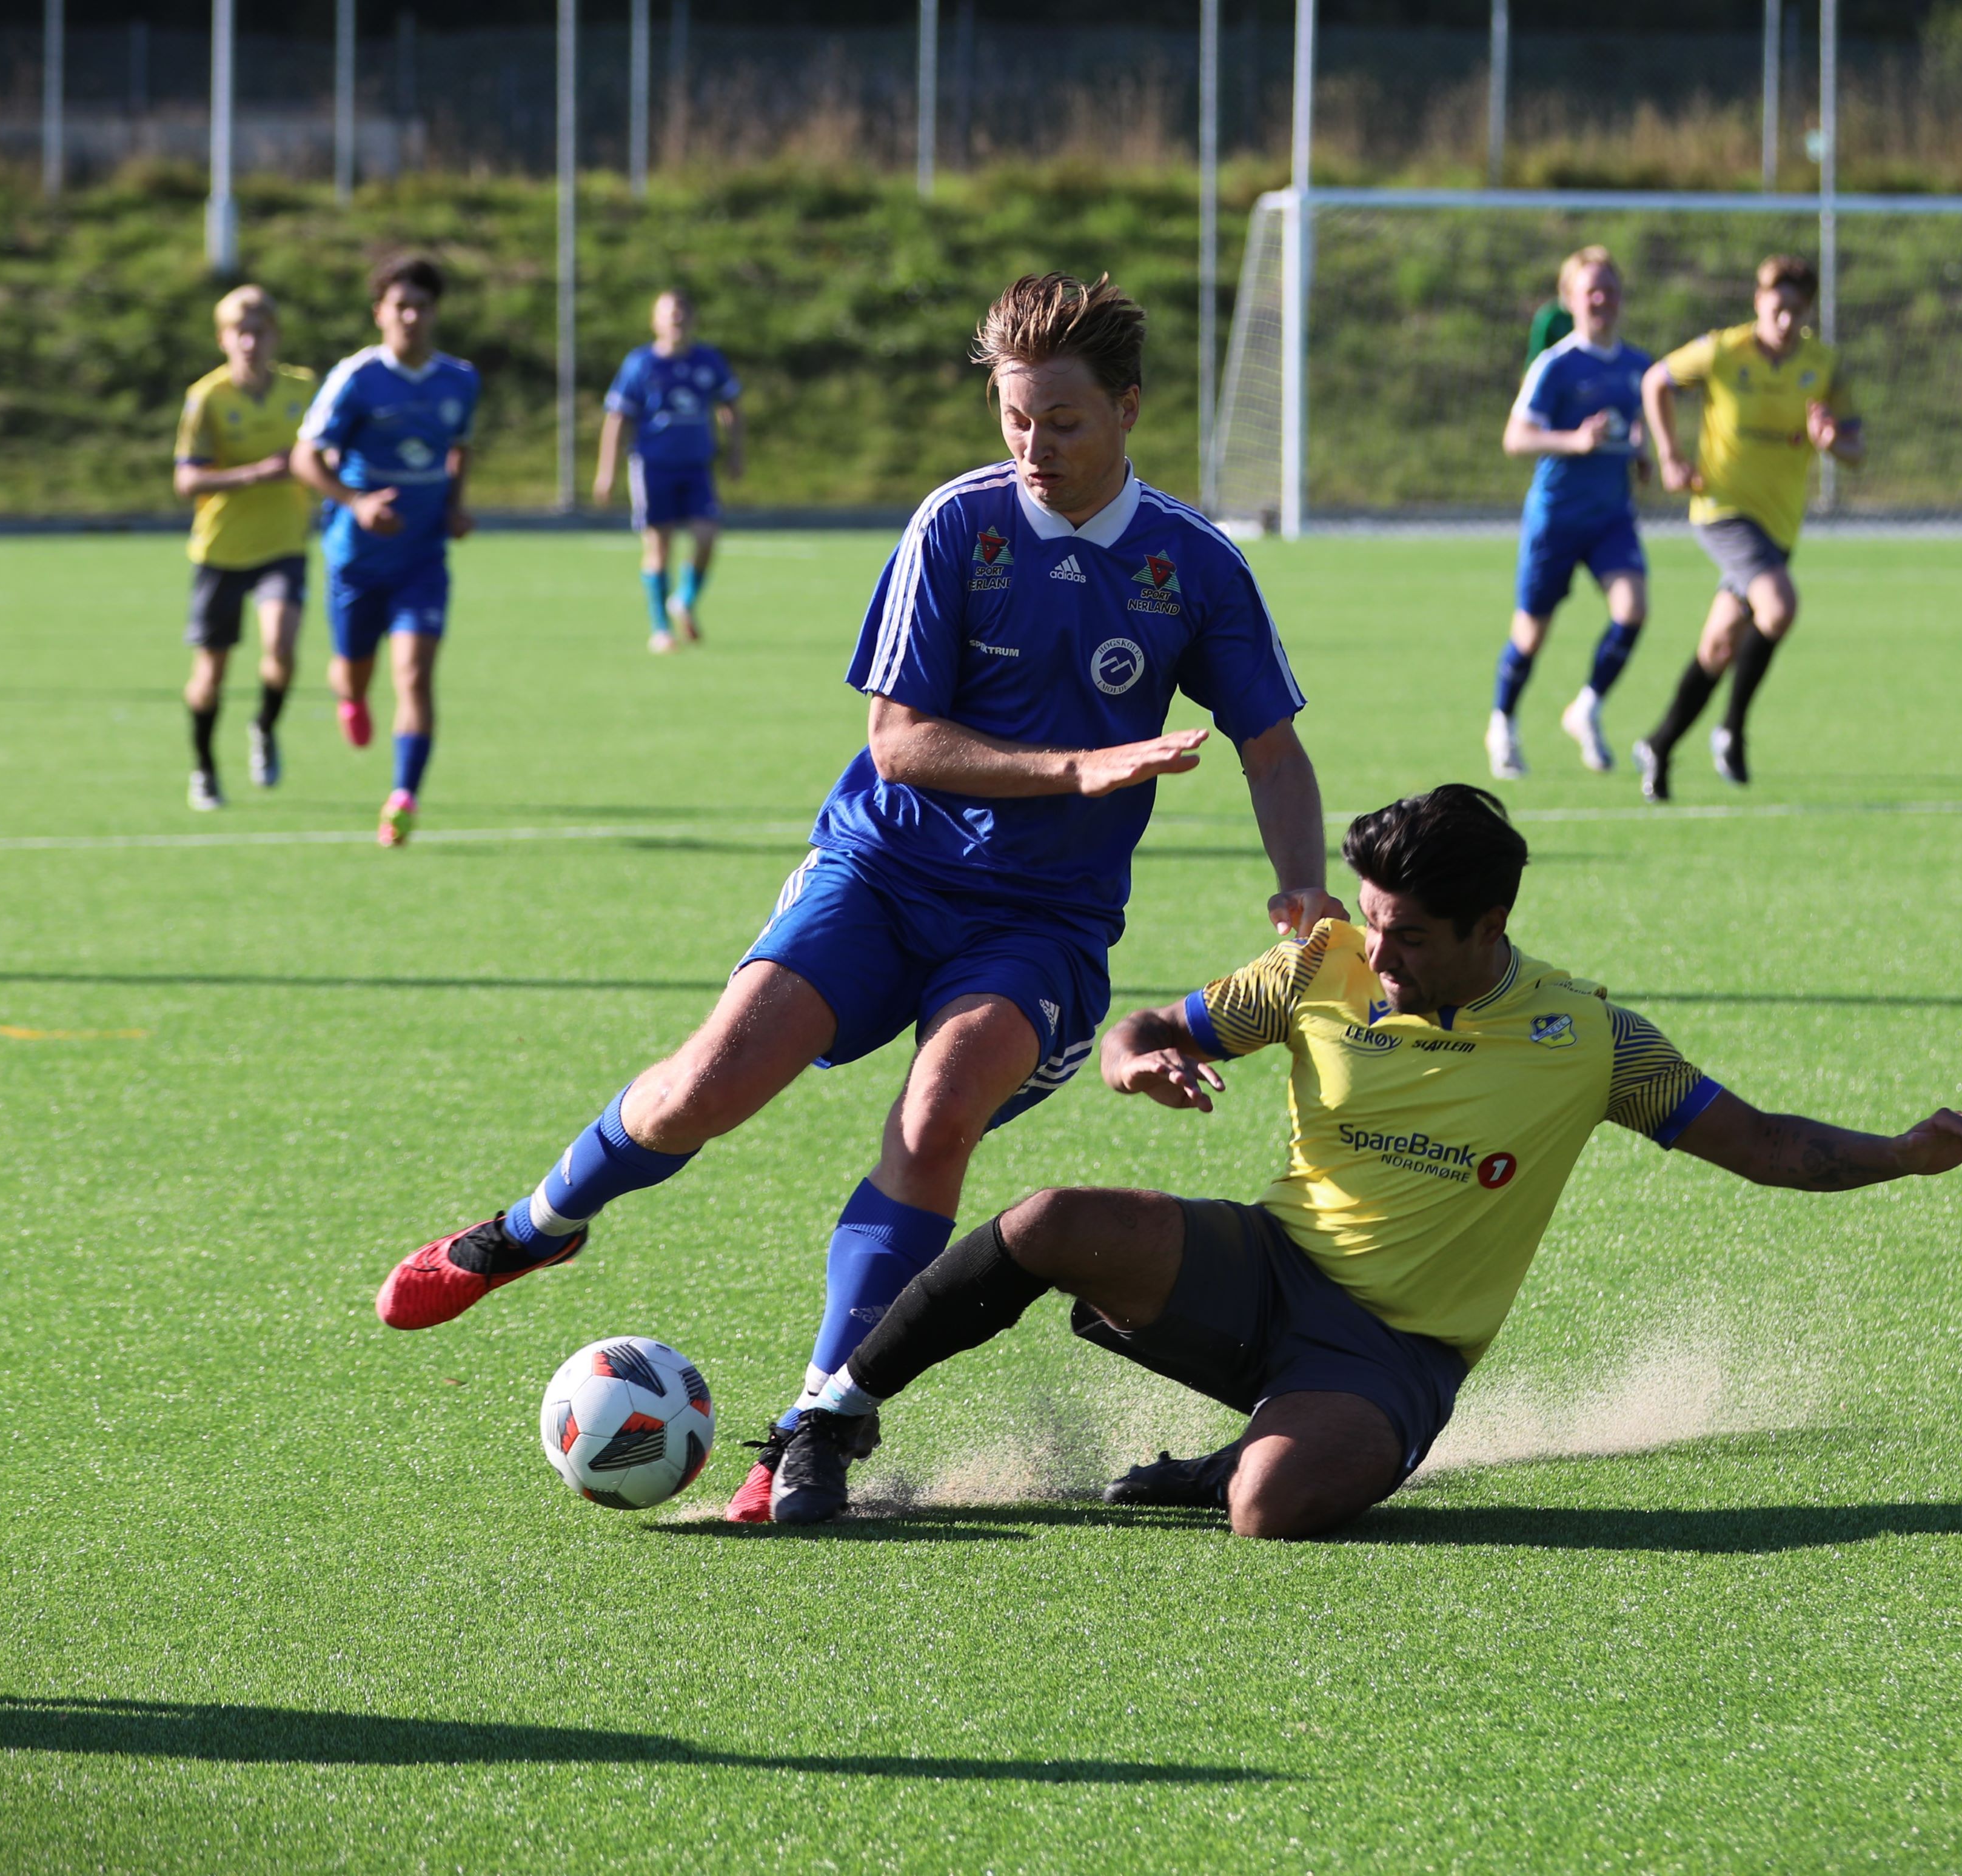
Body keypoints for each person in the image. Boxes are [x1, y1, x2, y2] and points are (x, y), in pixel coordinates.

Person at [370, 273, 1342, 1526]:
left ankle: (820, 1419)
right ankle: (534, 1226)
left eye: (1062, 420)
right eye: (1014, 417)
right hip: (882, 868)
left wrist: (1300, 881)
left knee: (937, 1115)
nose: (1034, 445)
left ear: (1129, 409)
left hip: (1039, 922)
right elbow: (900, 742)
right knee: (702, 1086)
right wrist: (1075, 767)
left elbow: (1271, 747)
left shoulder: (1192, 563)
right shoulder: (958, 525)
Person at [761, 784, 1962, 1532]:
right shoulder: (1322, 962)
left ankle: (1235, 1459)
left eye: (1408, 934)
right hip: (1265, 1266)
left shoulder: (1589, 1037)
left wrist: (1903, 1154)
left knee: (1268, 1509)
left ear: (1491, 924)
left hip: (1394, 1350)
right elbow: (1154, 1023)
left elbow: (1765, 1146)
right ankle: (830, 1415)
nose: (1378, 951)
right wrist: (1133, 1059)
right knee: (1048, 1217)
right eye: (1371, 920)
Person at [1632, 254, 1863, 803]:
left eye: (1797, 311)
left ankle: (1659, 744)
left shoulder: (1823, 366)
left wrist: (1833, 442)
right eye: (1776, 307)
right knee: (1779, 607)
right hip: (1722, 510)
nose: (1785, 320)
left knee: (1718, 646)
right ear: (1758, 301)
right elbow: (1656, 381)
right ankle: (1732, 729)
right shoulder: (1722, 351)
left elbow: (1857, 447)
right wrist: (1670, 455)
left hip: (1779, 524)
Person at [293, 255, 480, 848]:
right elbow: (304, 457)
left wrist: (454, 506)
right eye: (401, 306)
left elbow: (459, 446)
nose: (411, 317)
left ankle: (403, 796)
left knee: (415, 676)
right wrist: (356, 502)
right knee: (354, 674)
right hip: (357, 560)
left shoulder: (460, 380)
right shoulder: (356, 378)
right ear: (379, 312)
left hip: (422, 560)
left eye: (421, 307)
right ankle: (350, 698)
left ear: (435, 313)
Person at [1487, 246, 1651, 780]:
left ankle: (1586, 708)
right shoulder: (1556, 365)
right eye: (1591, 291)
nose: (1602, 299)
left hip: (1611, 518)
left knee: (1633, 609)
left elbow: (1638, 425)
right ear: (1570, 300)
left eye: (1610, 289)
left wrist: (1643, 454)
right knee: (1531, 635)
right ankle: (1503, 724)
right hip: (1557, 518)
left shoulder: (1638, 366)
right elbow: (1516, 437)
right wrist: (1574, 441)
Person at [170, 285, 318, 811]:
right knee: (211, 675)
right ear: (223, 339)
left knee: (281, 649)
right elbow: (187, 481)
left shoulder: (304, 389)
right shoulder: (208, 398)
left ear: (275, 336)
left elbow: (328, 452)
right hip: (222, 549)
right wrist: (257, 473)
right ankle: (205, 767)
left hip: (284, 542)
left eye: (260, 332)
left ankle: (265, 726)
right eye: (240, 333)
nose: (251, 343)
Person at [592, 288, 744, 653]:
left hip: (696, 466)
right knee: (659, 547)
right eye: (668, 313)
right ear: (654, 321)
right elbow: (618, 418)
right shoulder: (640, 364)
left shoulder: (708, 361)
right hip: (652, 466)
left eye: (682, 313)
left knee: (707, 537)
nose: (676, 319)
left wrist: (736, 452)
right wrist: (607, 472)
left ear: (693, 320)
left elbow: (730, 406)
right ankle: (660, 628)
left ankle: (684, 600)